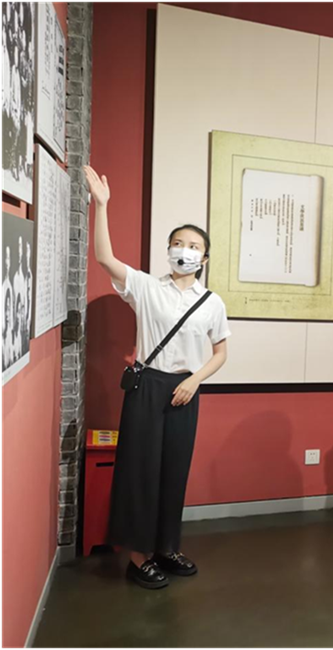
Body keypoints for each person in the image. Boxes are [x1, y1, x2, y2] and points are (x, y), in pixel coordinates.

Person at [84, 165, 231, 589]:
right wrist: (101, 205)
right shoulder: (148, 287)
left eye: (194, 246)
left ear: (204, 259)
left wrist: (195, 380)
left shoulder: (211, 302)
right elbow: (104, 258)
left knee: (173, 472)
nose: (185, 250)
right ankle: (137, 556)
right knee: (140, 472)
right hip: (148, 387)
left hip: (185, 390)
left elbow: (221, 353)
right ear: (169, 250)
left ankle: (166, 547)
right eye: (178, 243)